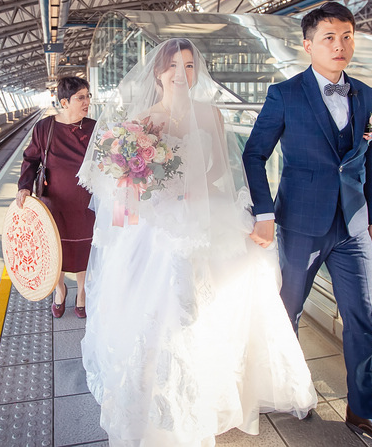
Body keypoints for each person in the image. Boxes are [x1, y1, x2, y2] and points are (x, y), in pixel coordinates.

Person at [78, 38, 317, 446]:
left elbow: (220, 173)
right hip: (160, 225)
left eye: (188, 66)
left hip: (207, 216)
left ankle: (221, 392)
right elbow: (126, 187)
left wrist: (221, 208)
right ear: (158, 72)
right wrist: (155, 190)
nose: (180, 74)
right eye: (172, 66)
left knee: (229, 296)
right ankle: (163, 405)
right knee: (166, 309)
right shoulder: (143, 121)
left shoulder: (211, 115)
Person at [242, 2, 372, 447]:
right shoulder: (285, 94)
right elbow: (253, 155)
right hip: (301, 222)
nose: (340, 46)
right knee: (288, 312)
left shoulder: (368, 96)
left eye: (347, 36)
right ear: (308, 45)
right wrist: (264, 213)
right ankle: (286, 389)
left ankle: (363, 411)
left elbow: (370, 160)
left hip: (353, 225)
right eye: (329, 38)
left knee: (363, 318)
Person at [17, 76, 95, 318]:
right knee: (55, 248)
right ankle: (59, 290)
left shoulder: (94, 127)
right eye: (80, 97)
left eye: (88, 96)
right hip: (55, 201)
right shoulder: (45, 128)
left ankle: (82, 293)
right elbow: (31, 159)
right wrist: (24, 186)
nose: (87, 102)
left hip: (87, 201)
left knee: (86, 247)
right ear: (64, 102)